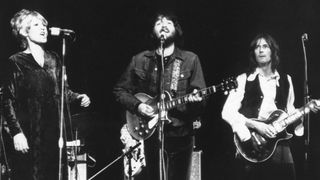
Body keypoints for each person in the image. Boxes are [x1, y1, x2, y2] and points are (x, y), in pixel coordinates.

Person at [113, 11, 206, 180]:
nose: (163, 25)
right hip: (151, 134)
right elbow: (119, 91)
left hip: (181, 134)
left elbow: (201, 99)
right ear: (153, 32)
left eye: (169, 23)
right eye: (158, 23)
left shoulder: (190, 59)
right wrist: (138, 106)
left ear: (176, 30)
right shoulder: (140, 60)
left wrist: (196, 100)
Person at [2, 9, 91, 180]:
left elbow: (63, 91)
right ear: (23, 32)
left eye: (44, 24)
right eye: (36, 24)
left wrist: (78, 97)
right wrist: (16, 133)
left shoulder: (54, 59)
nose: (43, 28)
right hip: (30, 133)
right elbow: (8, 100)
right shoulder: (16, 61)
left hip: (55, 132)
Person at [221, 33, 319, 180]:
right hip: (252, 143)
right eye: (257, 47)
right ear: (253, 53)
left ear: (273, 51)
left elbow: (289, 109)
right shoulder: (242, 80)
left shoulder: (286, 80)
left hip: (280, 144)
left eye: (265, 46)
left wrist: (304, 111)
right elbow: (227, 112)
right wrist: (255, 125)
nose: (261, 50)